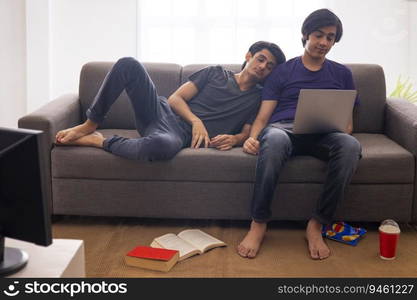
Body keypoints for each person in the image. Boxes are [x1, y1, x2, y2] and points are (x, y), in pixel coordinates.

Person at [237, 9, 362, 260]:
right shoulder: (282, 71)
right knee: (272, 139)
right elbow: (263, 117)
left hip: (325, 135)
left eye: (330, 37)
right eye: (319, 35)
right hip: (284, 131)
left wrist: (337, 128)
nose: (324, 42)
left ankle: (317, 224)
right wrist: (253, 137)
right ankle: (258, 223)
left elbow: (347, 125)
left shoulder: (342, 74)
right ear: (305, 35)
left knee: (350, 145)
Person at [55, 41, 286, 161]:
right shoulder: (215, 72)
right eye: (261, 59)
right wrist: (196, 120)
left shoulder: (259, 98)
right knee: (128, 63)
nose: (263, 66)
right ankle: (90, 125)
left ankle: (99, 141)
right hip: (159, 112)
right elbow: (176, 99)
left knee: (161, 147)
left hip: (177, 136)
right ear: (248, 57)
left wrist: (234, 139)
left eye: (270, 66)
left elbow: (247, 132)